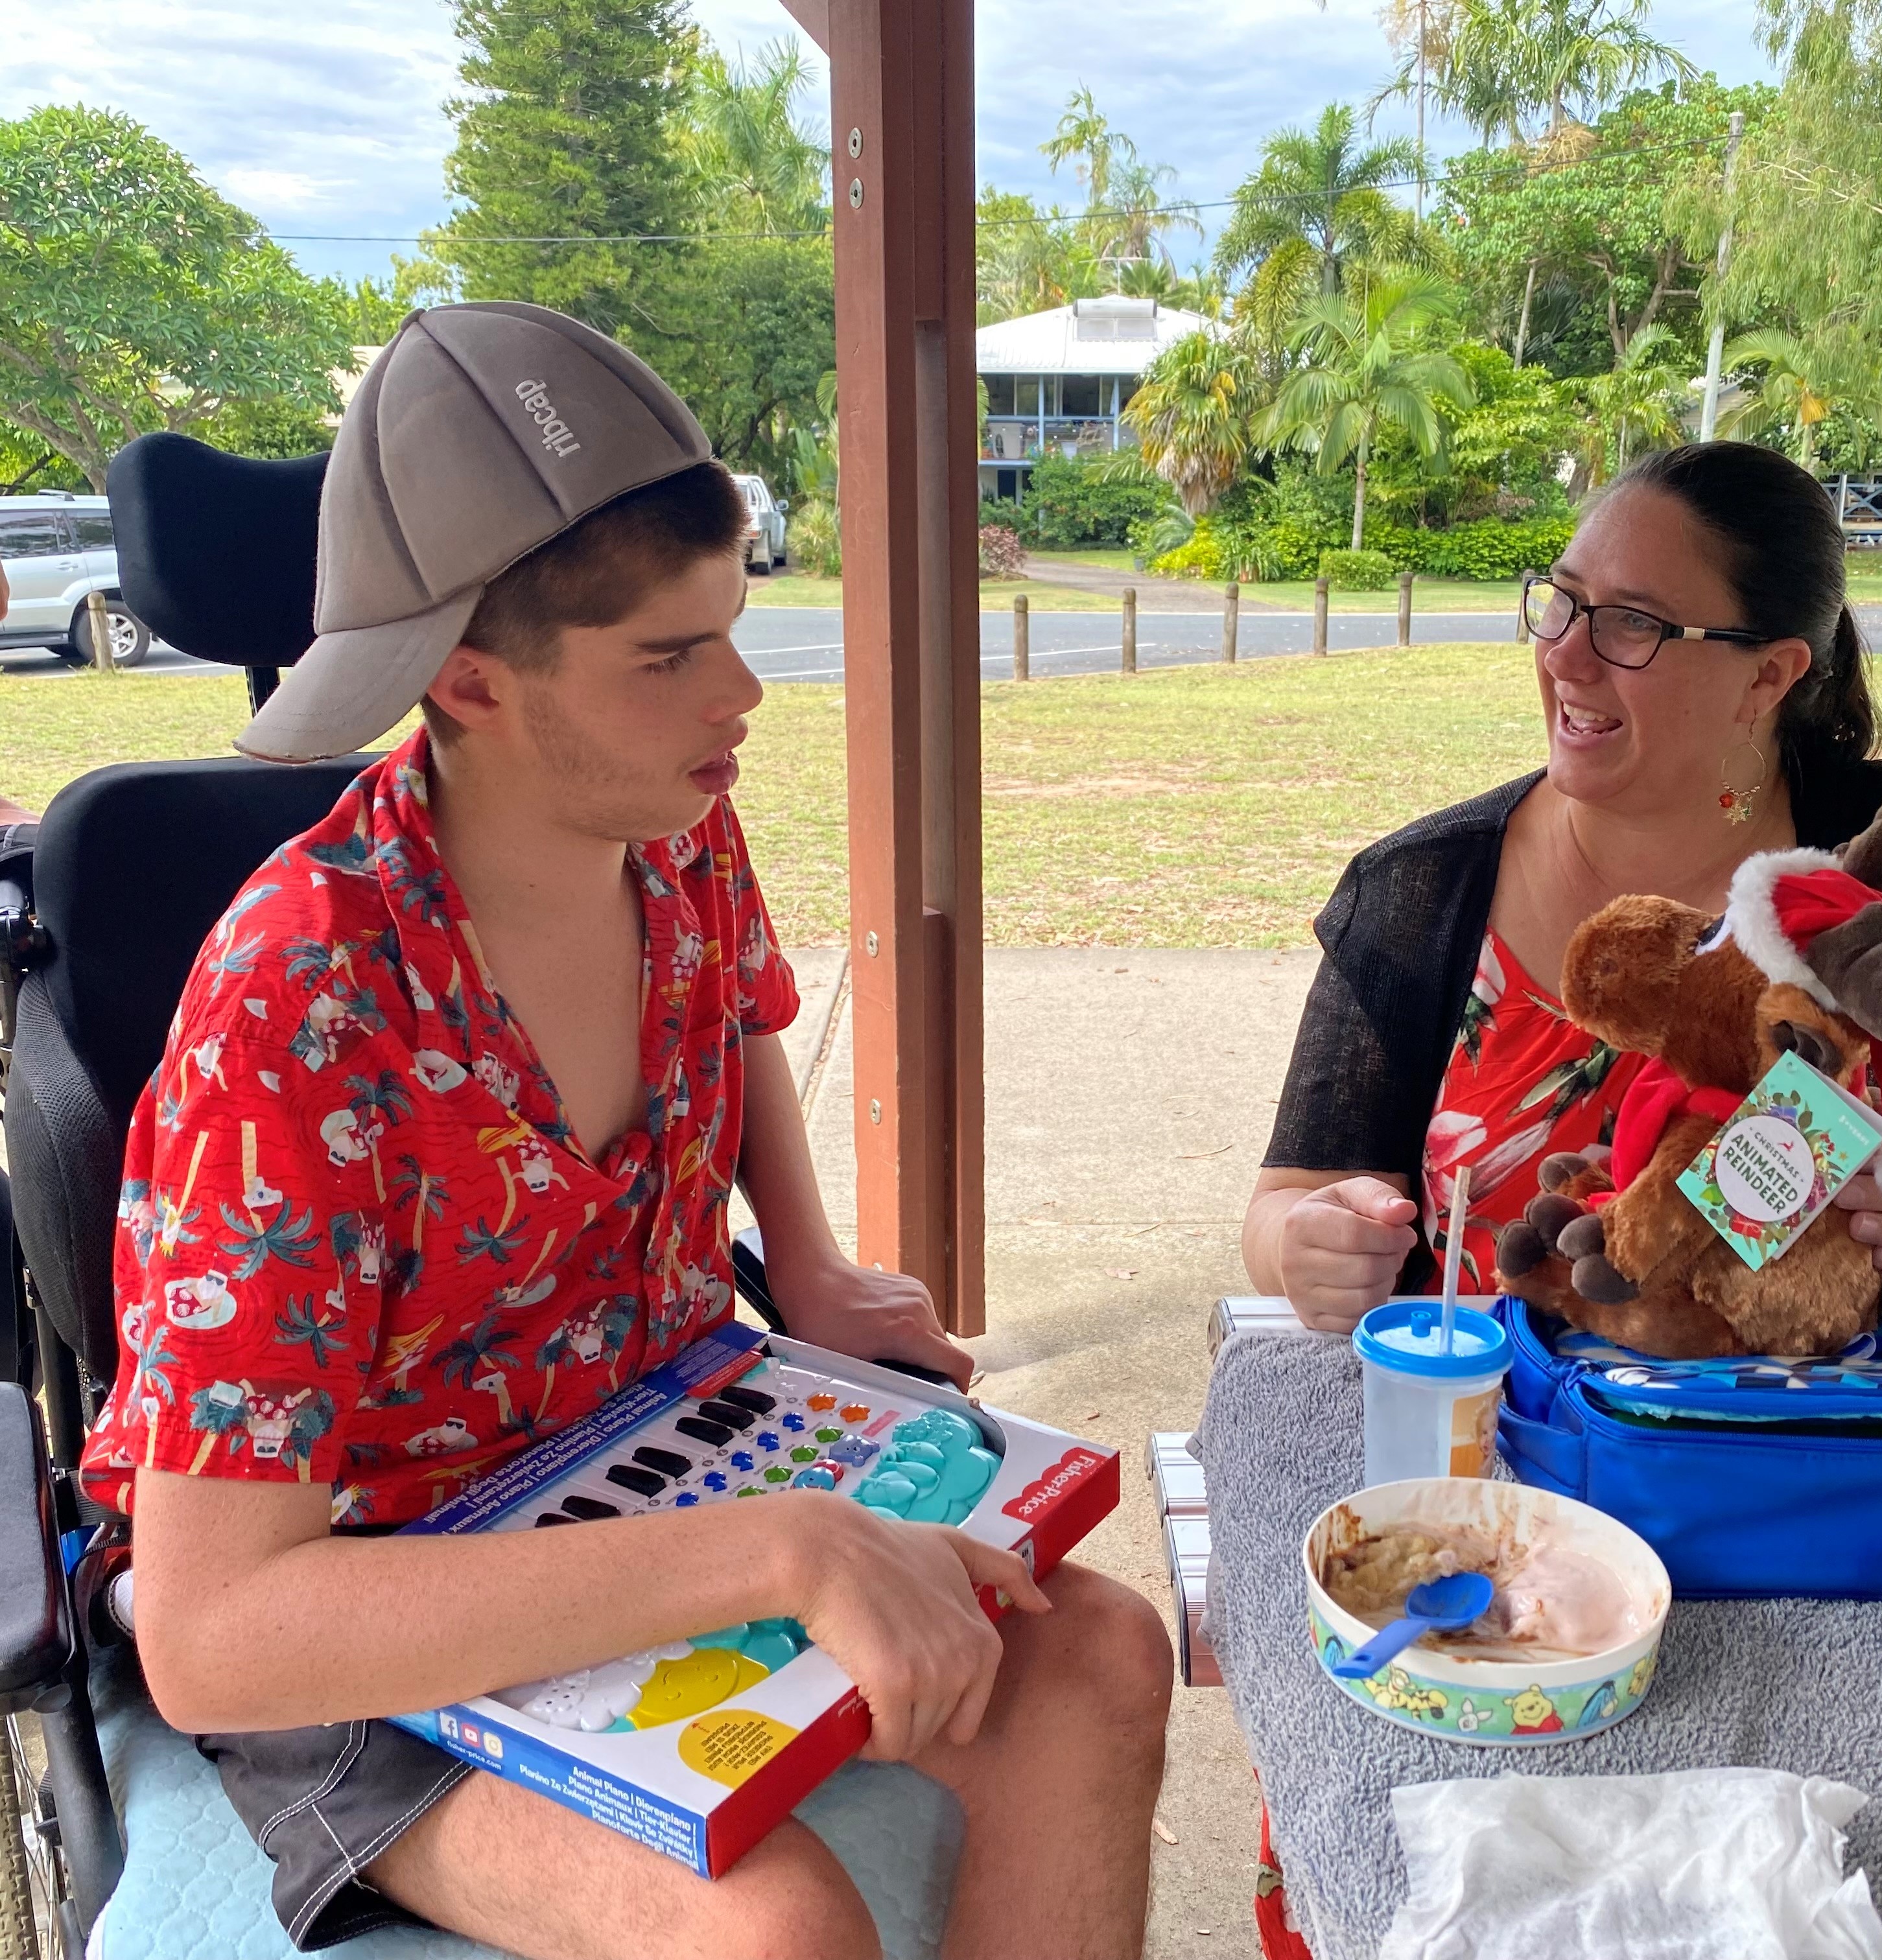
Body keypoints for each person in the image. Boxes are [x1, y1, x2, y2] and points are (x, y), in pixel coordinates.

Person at [80, 303, 1171, 1960]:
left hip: (655, 1441)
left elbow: (734, 1015)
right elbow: (220, 1634)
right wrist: (782, 1550)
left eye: (729, 628)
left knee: (1101, 1654)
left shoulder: (677, 831)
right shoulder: (301, 1005)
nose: (742, 693)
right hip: (379, 1593)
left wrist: (808, 1262)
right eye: (667, 659)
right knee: (771, 1932)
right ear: (468, 682)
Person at [1243, 439, 1882, 1334]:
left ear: (1768, 675)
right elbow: (1288, 1202)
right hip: (1483, 1413)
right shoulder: (1420, 889)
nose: (1565, 657)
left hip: (1800, 1412)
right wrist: (1309, 1247)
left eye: (1633, 624)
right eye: (1563, 602)